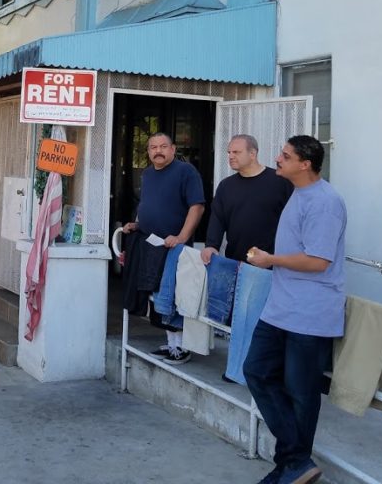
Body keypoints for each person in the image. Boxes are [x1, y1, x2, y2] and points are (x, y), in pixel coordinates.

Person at [243, 135, 347, 484]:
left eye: (285, 156)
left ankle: (290, 466)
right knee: (256, 371)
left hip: (311, 312)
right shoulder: (298, 194)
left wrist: (270, 259)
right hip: (281, 307)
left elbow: (318, 261)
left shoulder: (325, 202)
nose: (278, 158)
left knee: (302, 394)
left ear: (305, 164)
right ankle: (296, 460)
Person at [121, 132, 205, 365]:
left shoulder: (185, 172)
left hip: (174, 247)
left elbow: (196, 207)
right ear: (148, 151)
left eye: (163, 146)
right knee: (157, 294)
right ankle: (171, 343)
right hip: (151, 244)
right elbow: (153, 206)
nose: (158, 151)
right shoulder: (147, 174)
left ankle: (181, 347)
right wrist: (138, 224)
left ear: (173, 148)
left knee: (172, 296)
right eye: (153, 147)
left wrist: (181, 237)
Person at [200, 134, 293, 266]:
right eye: (229, 152)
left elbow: (294, 219)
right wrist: (211, 245)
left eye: (236, 152)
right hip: (236, 263)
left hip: (272, 264)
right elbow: (218, 219)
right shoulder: (226, 186)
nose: (231, 156)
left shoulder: (280, 181)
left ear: (252, 154)